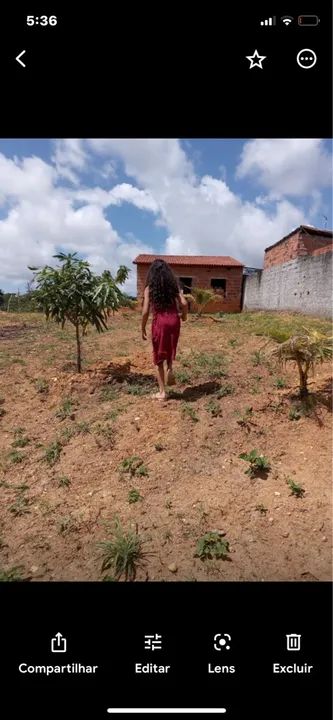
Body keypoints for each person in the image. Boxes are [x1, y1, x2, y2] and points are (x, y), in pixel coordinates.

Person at [141, 259, 188, 400]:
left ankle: (162, 392)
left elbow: (145, 312)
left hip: (160, 322)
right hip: (174, 321)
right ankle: (170, 369)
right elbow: (184, 303)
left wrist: (142, 327)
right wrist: (184, 316)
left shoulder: (149, 288)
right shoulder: (174, 287)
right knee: (169, 346)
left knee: (158, 357)